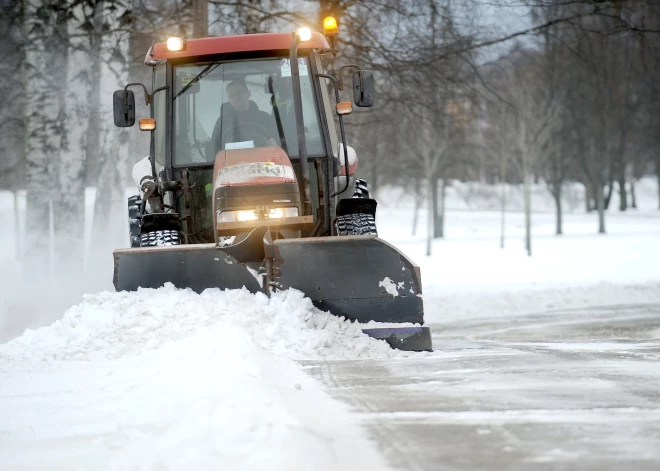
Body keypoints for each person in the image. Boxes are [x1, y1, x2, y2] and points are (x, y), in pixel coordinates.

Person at [208, 80, 277, 156]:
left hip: (263, 162)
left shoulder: (265, 118)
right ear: (229, 99)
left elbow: (280, 145)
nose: (236, 97)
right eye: (231, 95)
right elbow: (212, 150)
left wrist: (275, 145)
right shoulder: (222, 122)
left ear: (249, 94)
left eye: (239, 93)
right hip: (229, 164)